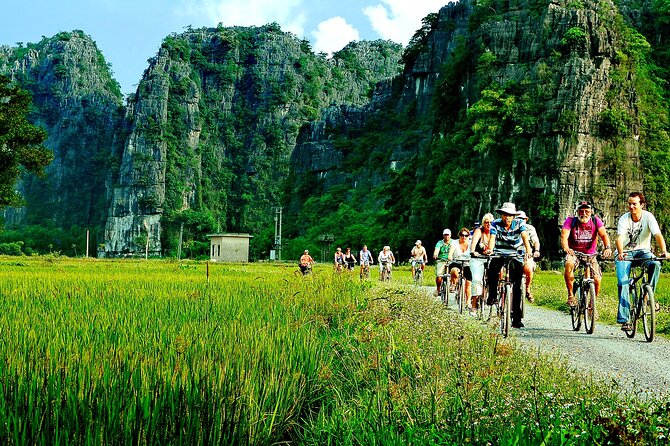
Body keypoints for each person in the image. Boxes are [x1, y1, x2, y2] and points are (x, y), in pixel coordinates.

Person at [615, 192, 669, 331]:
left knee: (656, 263)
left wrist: (664, 251)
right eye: (629, 204)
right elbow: (619, 238)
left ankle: (647, 295)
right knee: (623, 282)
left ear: (642, 205)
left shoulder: (648, 217)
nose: (631, 206)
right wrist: (620, 253)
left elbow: (657, 234)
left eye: (634, 204)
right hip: (625, 253)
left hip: (643, 251)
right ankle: (625, 320)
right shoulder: (624, 219)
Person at [488, 202, 532, 329]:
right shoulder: (495, 223)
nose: (507, 217)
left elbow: (524, 236)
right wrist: (490, 249)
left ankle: (517, 318)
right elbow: (492, 237)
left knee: (517, 286)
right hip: (499, 253)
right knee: (492, 269)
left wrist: (528, 250)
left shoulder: (520, 224)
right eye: (505, 214)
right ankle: (492, 295)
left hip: (515, 254)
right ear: (501, 215)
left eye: (510, 215)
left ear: (514, 216)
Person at [560, 201, 612, 306]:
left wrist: (607, 247)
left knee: (597, 279)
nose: (584, 214)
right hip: (574, 253)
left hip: (591, 255)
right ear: (577, 212)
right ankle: (571, 296)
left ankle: (592, 306)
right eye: (581, 211)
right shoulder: (570, 221)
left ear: (591, 212)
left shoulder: (595, 221)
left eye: (587, 211)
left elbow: (603, 235)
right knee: (569, 264)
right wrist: (566, 248)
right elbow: (564, 236)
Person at [469, 213, 496, 311]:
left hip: (490, 258)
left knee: (496, 276)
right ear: (483, 223)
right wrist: (472, 251)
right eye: (486, 222)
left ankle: (495, 296)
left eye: (490, 222)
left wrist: (490, 250)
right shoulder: (478, 231)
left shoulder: (494, 232)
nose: (488, 224)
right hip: (478, 258)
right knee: (477, 280)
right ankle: (474, 304)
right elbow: (474, 242)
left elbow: (492, 243)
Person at [517, 211, 541, 302]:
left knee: (528, 267)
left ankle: (527, 288)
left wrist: (536, 250)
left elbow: (535, 241)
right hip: (512, 254)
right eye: (518, 219)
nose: (520, 221)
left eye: (522, 219)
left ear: (526, 220)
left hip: (526, 254)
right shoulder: (510, 228)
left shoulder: (530, 228)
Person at [449, 227, 473, 315]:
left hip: (467, 263)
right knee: (454, 271)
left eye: (466, 235)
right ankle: (454, 283)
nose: (464, 237)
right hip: (456, 262)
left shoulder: (471, 243)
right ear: (459, 236)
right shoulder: (454, 243)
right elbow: (451, 252)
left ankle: (468, 301)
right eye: (462, 235)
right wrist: (450, 256)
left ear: (468, 236)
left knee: (468, 283)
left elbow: (474, 251)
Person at [433, 228, 453, 296]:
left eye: (448, 235)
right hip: (441, 260)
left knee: (454, 272)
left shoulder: (453, 242)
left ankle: (453, 286)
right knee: (439, 276)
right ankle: (438, 289)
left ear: (450, 235)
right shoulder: (440, 243)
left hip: (451, 261)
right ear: (443, 236)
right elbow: (437, 249)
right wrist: (435, 254)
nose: (447, 236)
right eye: (445, 235)